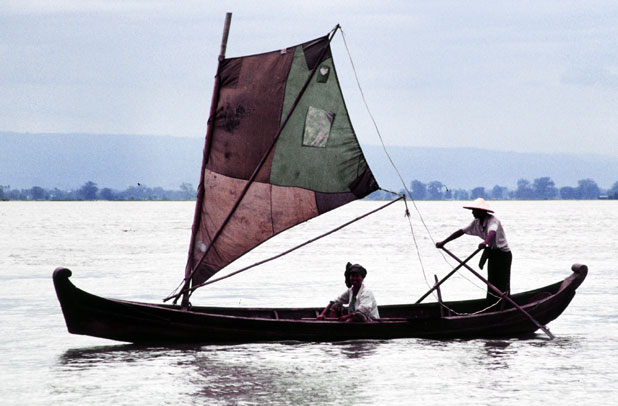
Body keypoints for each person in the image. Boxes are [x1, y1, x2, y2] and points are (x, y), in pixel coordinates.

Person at [435, 198, 512, 303]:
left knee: (502, 282)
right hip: (492, 253)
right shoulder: (476, 222)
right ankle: (492, 303)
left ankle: (505, 304)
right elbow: (461, 231)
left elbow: (492, 232)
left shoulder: (493, 220)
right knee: (491, 281)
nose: (472, 213)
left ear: (481, 211)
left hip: (503, 255)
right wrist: (443, 242)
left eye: (474, 210)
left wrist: (485, 242)